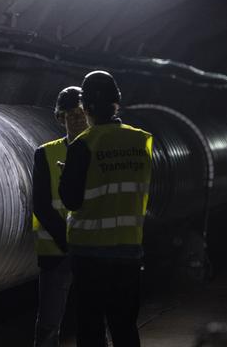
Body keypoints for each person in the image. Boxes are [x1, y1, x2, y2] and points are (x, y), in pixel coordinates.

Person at [59, 71, 153, 347]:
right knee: (124, 326)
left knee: (91, 327)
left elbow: (72, 200)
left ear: (86, 108)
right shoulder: (141, 140)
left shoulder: (83, 145)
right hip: (129, 250)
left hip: (90, 253)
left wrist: (69, 175)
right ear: (117, 104)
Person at [32, 86, 89, 347]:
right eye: (71, 114)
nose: (78, 119)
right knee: (48, 325)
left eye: (82, 113)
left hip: (92, 250)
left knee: (92, 321)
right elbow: (41, 204)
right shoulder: (45, 154)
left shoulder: (99, 151)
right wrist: (69, 243)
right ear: (60, 118)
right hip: (56, 252)